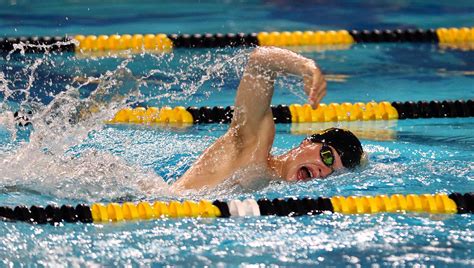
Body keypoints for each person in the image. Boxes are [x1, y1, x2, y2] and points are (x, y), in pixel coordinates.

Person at [170, 47, 364, 191]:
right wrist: (306, 67)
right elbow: (261, 61)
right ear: (307, 142)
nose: (323, 171)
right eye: (327, 156)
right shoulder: (252, 148)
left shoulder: (271, 186)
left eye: (333, 172)